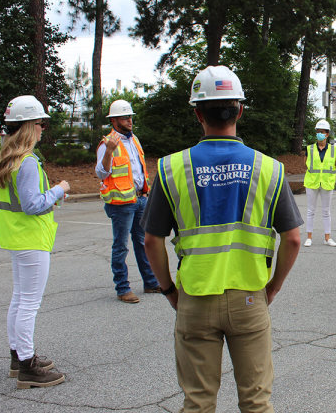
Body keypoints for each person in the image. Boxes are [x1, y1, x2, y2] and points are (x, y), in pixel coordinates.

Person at [142, 65, 302, 412]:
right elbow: (292, 239)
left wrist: (169, 290)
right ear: (239, 110)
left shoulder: (171, 168)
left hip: (195, 298)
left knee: (198, 402)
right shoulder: (269, 168)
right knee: (256, 402)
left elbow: (151, 241)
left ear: (197, 113)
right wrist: (271, 289)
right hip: (248, 299)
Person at [0, 95, 68, 388]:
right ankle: (27, 365)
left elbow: (26, 200)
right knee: (29, 303)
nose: (41, 129)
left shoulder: (11, 158)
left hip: (19, 238)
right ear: (27, 128)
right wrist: (59, 190)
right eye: (39, 124)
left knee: (20, 299)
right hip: (32, 240)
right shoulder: (27, 162)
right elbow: (32, 204)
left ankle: (18, 357)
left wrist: (50, 195)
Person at [96, 99, 160, 303]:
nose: (129, 120)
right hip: (120, 203)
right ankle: (123, 288)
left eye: (130, 116)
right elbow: (100, 172)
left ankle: (150, 283)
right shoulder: (108, 142)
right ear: (114, 120)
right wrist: (108, 151)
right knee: (121, 246)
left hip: (140, 199)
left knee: (142, 243)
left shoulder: (134, 140)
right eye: (125, 117)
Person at [303, 119, 336, 247]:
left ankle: (327, 238)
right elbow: (306, 164)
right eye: (318, 132)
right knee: (310, 211)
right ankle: (309, 237)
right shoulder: (309, 149)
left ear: (327, 134)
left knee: (326, 211)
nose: (319, 134)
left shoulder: (334, 150)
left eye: (322, 132)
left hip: (327, 183)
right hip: (312, 182)